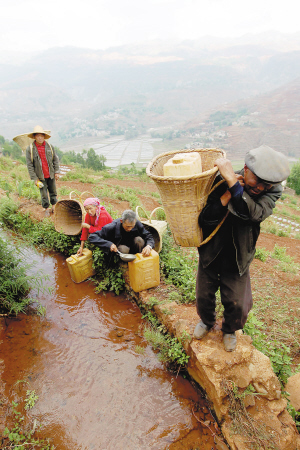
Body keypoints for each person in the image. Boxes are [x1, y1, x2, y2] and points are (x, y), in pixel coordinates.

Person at [194, 145, 290, 352]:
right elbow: (205, 219)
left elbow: (254, 214)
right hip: (212, 249)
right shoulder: (220, 180)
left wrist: (233, 185)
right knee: (203, 295)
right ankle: (207, 321)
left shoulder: (272, 192)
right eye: (259, 181)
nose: (261, 188)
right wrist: (226, 195)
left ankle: (229, 329)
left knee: (238, 302)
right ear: (245, 169)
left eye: (268, 185)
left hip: (239, 254)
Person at [89, 209, 155, 257]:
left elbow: (148, 236)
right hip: (120, 249)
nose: (130, 229)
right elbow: (92, 237)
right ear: (121, 221)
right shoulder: (112, 227)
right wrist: (109, 244)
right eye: (128, 226)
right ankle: (123, 266)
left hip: (133, 247)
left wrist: (149, 246)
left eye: (132, 226)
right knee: (124, 249)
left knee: (139, 240)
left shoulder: (137, 224)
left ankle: (139, 259)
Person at [26, 125, 60, 217]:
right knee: (44, 193)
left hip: (51, 174)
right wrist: (35, 178)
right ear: (34, 137)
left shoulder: (49, 146)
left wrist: (56, 172)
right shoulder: (30, 149)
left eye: (42, 135)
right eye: (38, 135)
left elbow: (55, 160)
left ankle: (54, 205)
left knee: (53, 190)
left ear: (44, 136)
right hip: (40, 176)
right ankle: (46, 208)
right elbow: (30, 165)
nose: (40, 137)